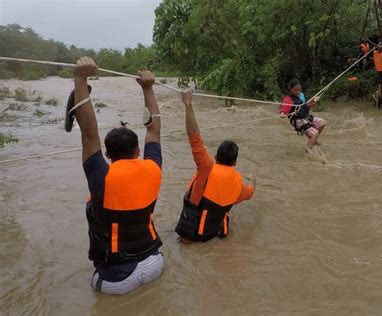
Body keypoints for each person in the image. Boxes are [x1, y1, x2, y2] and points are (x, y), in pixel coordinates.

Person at [67, 57, 164, 295]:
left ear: (108, 154)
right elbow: (154, 128)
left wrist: (80, 80)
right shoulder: (153, 168)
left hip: (117, 278)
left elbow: (89, 136)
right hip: (154, 263)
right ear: (138, 151)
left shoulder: (103, 177)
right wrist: (148, 88)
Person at [174, 90, 256, 242]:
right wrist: (252, 180)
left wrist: (188, 105)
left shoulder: (206, 167)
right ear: (235, 163)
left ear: (216, 156)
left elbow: (194, 137)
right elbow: (249, 193)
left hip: (189, 237)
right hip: (216, 237)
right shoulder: (239, 183)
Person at [279, 79, 325, 150]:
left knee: (322, 122)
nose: (297, 92)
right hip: (298, 121)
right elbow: (284, 107)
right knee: (315, 134)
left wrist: (314, 101)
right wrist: (282, 113)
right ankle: (308, 152)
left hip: (305, 117)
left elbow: (307, 106)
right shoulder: (288, 99)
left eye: (299, 90)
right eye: (295, 90)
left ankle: (313, 140)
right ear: (291, 89)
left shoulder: (301, 95)